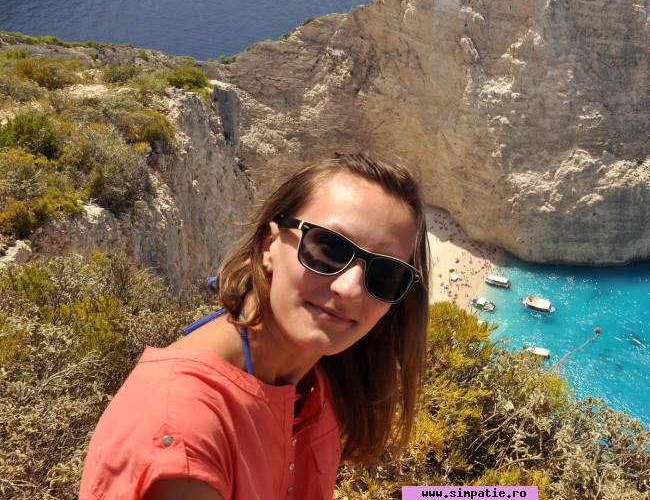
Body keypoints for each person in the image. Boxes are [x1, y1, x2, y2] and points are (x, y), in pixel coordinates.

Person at [79, 152, 430, 499]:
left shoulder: (316, 382)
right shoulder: (183, 430)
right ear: (269, 244)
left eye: (385, 274)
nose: (349, 289)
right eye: (328, 248)